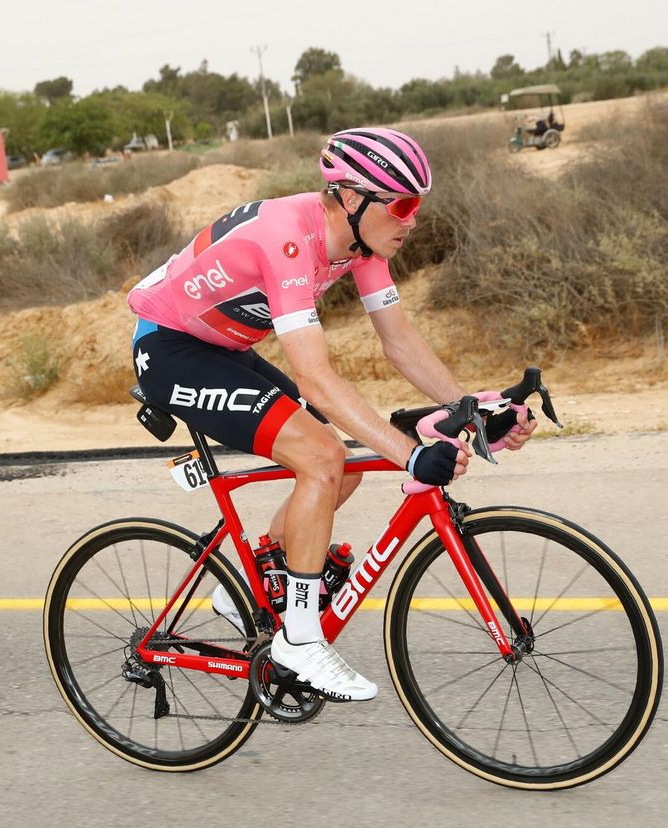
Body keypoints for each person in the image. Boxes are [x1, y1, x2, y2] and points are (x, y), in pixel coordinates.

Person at [127, 127, 535, 701]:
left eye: (417, 203)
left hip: (223, 349)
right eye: (402, 203)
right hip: (169, 351)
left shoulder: (363, 245)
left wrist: (471, 406)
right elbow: (316, 379)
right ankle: (298, 638)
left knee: (336, 464)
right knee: (323, 454)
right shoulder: (289, 240)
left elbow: (399, 342)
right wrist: (411, 454)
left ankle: (245, 587)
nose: (411, 219)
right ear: (350, 198)